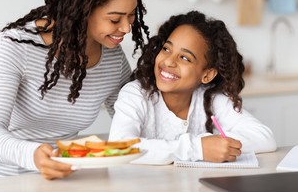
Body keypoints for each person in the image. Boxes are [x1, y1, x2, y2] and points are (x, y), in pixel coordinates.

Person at [0, 0, 149, 181]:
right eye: (114, 19)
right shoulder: (17, 44)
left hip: (59, 182)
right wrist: (35, 156)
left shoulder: (112, 58)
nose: (125, 28)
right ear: (82, 10)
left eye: (131, 16)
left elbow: (131, 122)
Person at [109, 10, 276, 165]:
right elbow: (120, 147)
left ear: (207, 75)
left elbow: (265, 138)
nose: (168, 61)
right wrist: (198, 148)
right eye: (166, 49)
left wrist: (218, 146)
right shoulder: (136, 94)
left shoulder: (212, 99)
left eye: (185, 58)